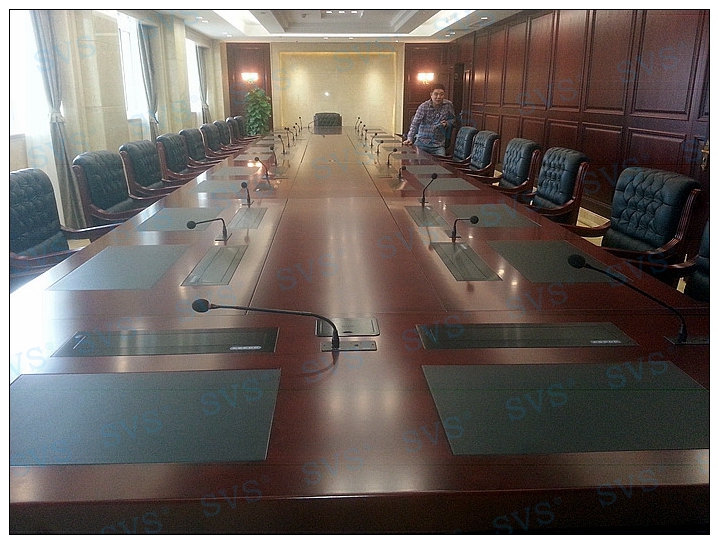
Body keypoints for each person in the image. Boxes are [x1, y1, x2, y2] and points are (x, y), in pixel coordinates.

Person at [403, 83, 455, 156]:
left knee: (441, 162)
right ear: (431, 94)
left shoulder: (448, 105)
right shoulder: (423, 107)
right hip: (422, 142)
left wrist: (447, 123)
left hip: (438, 144)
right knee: (414, 160)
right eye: (436, 94)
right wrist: (410, 138)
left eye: (441, 94)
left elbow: (453, 120)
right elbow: (415, 124)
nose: (439, 97)